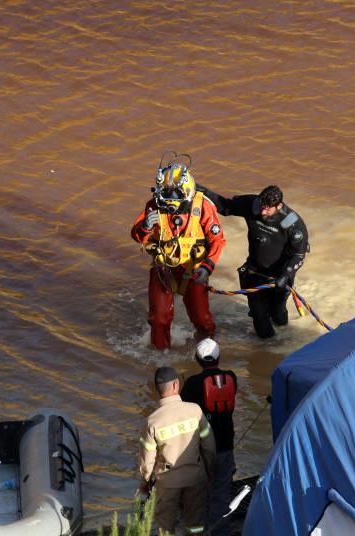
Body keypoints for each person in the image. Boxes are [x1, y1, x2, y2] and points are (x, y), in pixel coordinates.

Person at [131, 154, 226, 349]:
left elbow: (218, 240)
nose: (169, 198)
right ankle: (160, 359)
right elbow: (136, 235)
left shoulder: (202, 206)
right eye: (166, 192)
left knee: (202, 320)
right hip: (163, 270)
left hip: (194, 271)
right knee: (158, 319)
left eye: (174, 193)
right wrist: (145, 227)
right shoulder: (153, 206)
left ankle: (208, 351)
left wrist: (207, 267)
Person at [196, 184, 308, 338]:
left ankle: (283, 346)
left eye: (268, 208)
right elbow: (225, 207)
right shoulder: (252, 205)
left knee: (279, 315)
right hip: (254, 273)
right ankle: (266, 351)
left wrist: (286, 275)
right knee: (260, 319)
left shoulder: (293, 224)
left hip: (279, 278)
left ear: (279, 206)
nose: (262, 211)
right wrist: (203, 191)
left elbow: (299, 255)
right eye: (262, 206)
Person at [139, 366, 216, 535]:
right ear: (176, 385)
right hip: (195, 477)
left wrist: (146, 482)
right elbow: (209, 446)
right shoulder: (195, 410)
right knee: (195, 524)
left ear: (157, 389)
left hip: (167, 483)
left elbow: (147, 461)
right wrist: (209, 471)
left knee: (165, 526)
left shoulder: (152, 421)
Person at [180, 338, 237, 536]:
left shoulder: (192, 384)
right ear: (219, 357)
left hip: (203, 450)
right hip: (226, 446)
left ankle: (200, 530)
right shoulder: (232, 377)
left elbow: (184, 411)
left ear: (197, 359)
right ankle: (222, 531)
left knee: (200, 493)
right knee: (222, 493)